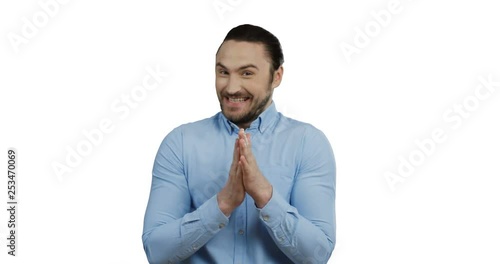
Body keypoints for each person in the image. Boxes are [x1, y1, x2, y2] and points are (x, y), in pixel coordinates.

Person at [142, 24, 336, 264]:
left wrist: (265, 196)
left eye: (246, 73)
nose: (231, 87)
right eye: (223, 72)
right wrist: (222, 204)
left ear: (276, 76)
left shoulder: (309, 144)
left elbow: (317, 255)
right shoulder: (180, 143)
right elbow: (157, 253)